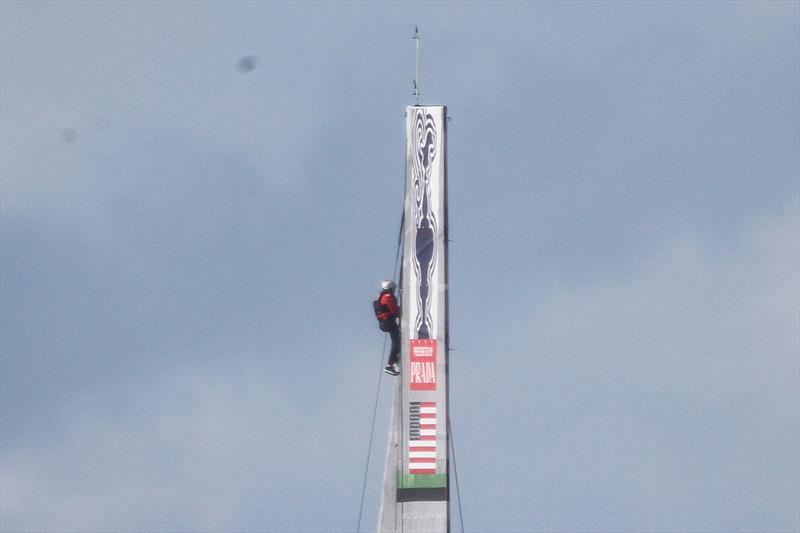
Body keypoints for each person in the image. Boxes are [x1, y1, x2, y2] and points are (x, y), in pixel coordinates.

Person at [375, 280, 401, 375]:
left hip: (385, 322)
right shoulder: (387, 297)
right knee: (397, 342)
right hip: (389, 322)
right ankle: (390, 364)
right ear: (390, 288)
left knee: (397, 339)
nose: (394, 291)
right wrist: (403, 311)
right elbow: (394, 310)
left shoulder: (381, 296)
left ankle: (395, 360)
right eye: (393, 289)